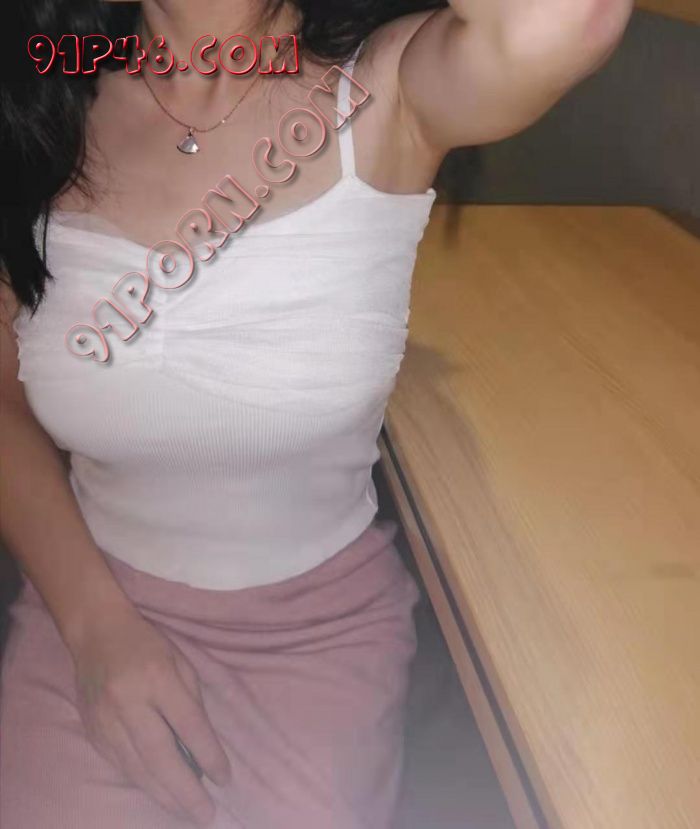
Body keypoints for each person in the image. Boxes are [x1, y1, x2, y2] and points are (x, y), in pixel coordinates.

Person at [0, 1, 633, 827]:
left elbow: (568, 19)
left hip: (317, 638)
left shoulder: (386, 88)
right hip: (82, 599)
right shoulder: (37, 105)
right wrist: (95, 629)